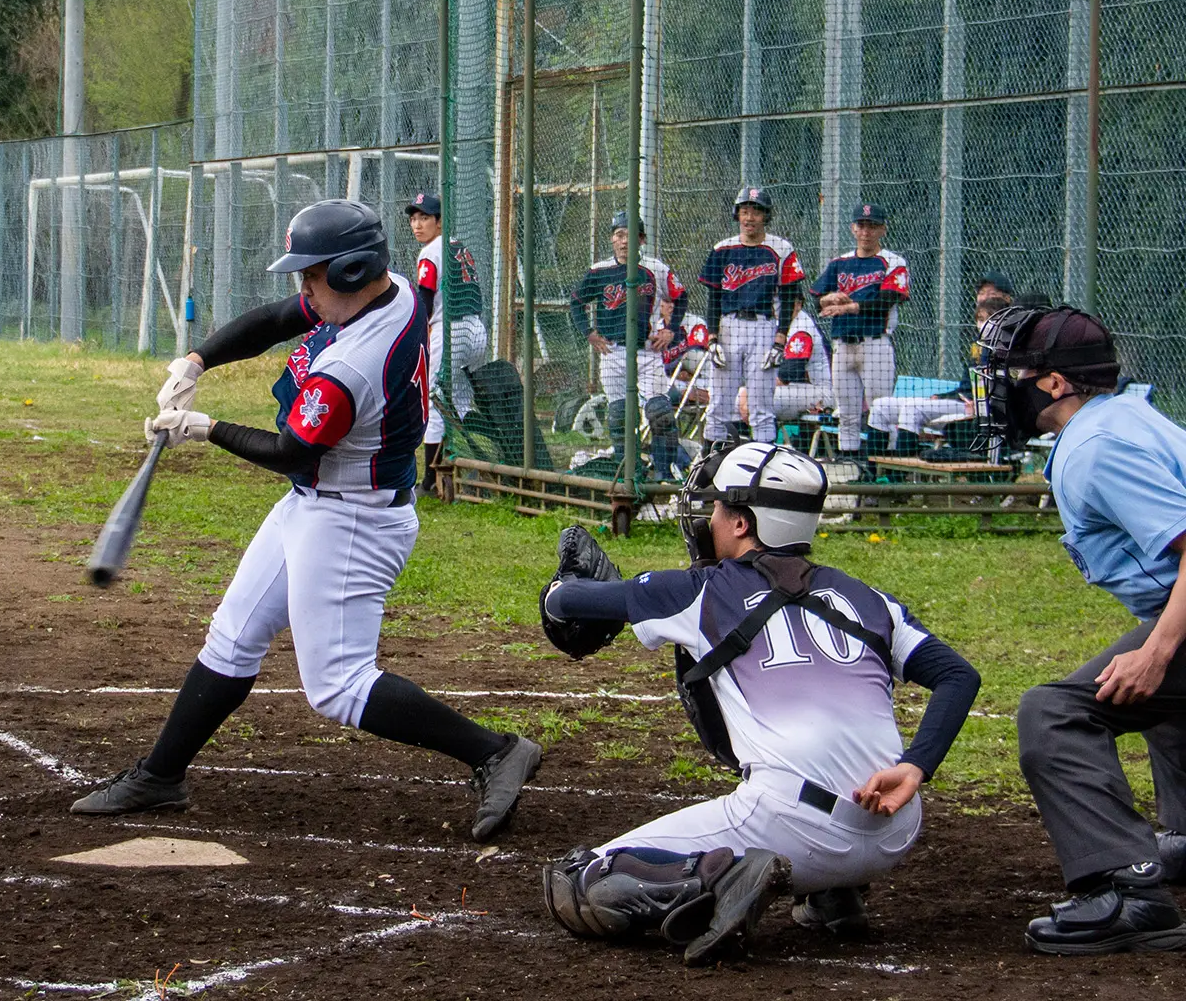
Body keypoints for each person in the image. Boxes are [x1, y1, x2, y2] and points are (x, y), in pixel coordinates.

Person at [73, 199, 543, 841]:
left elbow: (292, 450)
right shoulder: (392, 290)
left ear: (350, 272)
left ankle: (495, 751)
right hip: (316, 503)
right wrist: (197, 361)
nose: (303, 290)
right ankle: (161, 775)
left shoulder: (351, 366)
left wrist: (206, 429)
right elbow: (275, 321)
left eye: (311, 275)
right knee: (233, 637)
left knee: (339, 685)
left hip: (353, 521)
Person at [535, 442, 980, 964]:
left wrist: (563, 583)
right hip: (894, 825)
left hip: (793, 826)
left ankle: (721, 879)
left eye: (720, 506)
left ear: (743, 524)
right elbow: (958, 676)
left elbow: (565, 605)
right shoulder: (869, 598)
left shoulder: (700, 589)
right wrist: (915, 766)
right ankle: (837, 895)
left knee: (582, 880)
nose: (710, 516)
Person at [975, 304, 1186, 954]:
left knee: (1055, 715)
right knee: (1160, 684)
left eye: (1012, 371)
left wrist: (1157, 651)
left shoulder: (1099, 446)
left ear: (1056, 383)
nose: (1000, 386)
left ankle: (1129, 893)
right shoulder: (1125, 416)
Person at [569, 211, 688, 479]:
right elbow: (576, 302)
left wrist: (670, 330)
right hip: (612, 352)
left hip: (647, 352)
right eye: (619, 235)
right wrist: (588, 332)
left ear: (642, 239)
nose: (624, 241)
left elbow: (681, 297)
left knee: (660, 414)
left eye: (631, 235)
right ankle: (628, 475)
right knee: (621, 418)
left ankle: (664, 474)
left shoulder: (656, 269)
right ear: (612, 239)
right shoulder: (599, 271)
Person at [698, 188, 804, 450]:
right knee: (719, 403)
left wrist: (780, 340)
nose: (749, 217)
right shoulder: (722, 249)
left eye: (755, 211)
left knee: (760, 405)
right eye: (745, 211)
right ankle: (710, 465)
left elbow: (790, 296)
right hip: (728, 326)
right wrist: (712, 338)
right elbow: (714, 298)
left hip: (764, 327)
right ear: (737, 215)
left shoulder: (780, 248)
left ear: (765, 216)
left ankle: (761, 469)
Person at [811, 204, 908, 471]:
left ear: (882, 229)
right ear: (853, 228)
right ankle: (850, 468)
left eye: (872, 225)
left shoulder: (892, 261)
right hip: (843, 345)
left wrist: (850, 306)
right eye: (861, 225)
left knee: (882, 409)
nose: (866, 231)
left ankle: (886, 469)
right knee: (847, 413)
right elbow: (817, 296)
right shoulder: (840, 262)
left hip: (875, 343)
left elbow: (887, 300)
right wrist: (829, 298)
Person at [405, 193, 489, 494]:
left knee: (434, 399)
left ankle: (430, 480)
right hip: (476, 330)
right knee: (461, 401)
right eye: (414, 219)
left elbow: (425, 300)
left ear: (440, 221)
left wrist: (418, 334)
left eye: (425, 218)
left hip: (448, 331)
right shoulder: (458, 246)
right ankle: (474, 462)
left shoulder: (430, 252)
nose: (417, 225)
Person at [867, 293, 1010, 455]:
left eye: (988, 319)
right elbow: (965, 387)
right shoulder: (979, 347)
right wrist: (942, 396)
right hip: (961, 402)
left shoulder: (1008, 349)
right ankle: (872, 474)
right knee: (880, 405)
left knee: (912, 409)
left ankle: (898, 475)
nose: (982, 325)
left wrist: (983, 403)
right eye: (979, 319)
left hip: (978, 409)